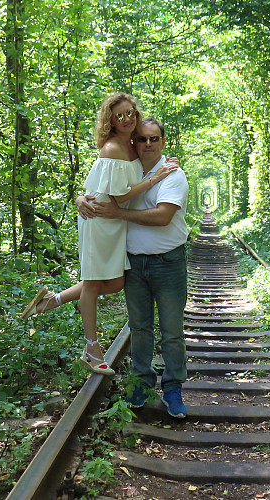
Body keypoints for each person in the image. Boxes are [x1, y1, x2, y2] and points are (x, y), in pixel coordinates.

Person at [19, 94, 178, 376]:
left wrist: (162, 168)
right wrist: (156, 177)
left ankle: (50, 301)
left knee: (116, 282)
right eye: (120, 116)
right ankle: (91, 350)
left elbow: (101, 181)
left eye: (131, 113)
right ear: (110, 120)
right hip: (100, 217)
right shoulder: (113, 147)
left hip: (114, 219)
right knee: (93, 283)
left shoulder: (132, 143)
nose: (127, 119)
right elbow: (120, 194)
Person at [77, 117, 189, 419]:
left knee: (171, 331)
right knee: (139, 328)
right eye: (142, 139)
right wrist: (81, 199)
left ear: (163, 142)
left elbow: (163, 216)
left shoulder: (172, 175)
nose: (148, 144)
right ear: (133, 142)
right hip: (134, 263)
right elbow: (96, 190)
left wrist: (119, 213)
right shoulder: (126, 168)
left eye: (154, 139)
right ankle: (141, 384)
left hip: (169, 263)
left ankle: (173, 387)